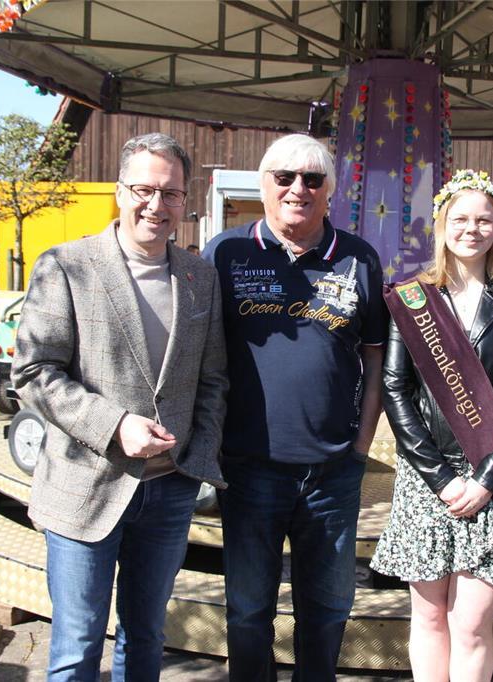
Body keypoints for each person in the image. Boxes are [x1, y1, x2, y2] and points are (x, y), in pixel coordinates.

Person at [11, 132, 228, 681]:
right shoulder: (68, 266)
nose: (157, 205)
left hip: (168, 492)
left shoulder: (200, 276)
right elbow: (34, 373)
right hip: (85, 486)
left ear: (186, 198)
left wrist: (194, 460)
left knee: (146, 633)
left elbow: (213, 379)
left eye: (172, 193)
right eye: (144, 189)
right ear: (119, 191)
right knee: (77, 641)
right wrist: (114, 426)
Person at [202, 134, 387, 681]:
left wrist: (360, 445)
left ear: (331, 189)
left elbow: (375, 358)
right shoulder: (225, 253)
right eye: (284, 177)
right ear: (263, 185)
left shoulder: (358, 258)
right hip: (249, 467)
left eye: (312, 179)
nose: (297, 188)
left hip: (333, 473)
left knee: (328, 611)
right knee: (249, 612)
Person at [371, 170, 493, 681]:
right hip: (428, 482)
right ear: (441, 224)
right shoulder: (412, 297)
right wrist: (441, 476)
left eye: (484, 220)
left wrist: (487, 478)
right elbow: (394, 389)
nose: (472, 229)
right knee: (428, 617)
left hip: (491, 482)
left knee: (472, 623)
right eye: (461, 218)